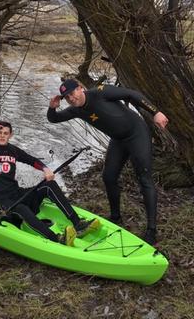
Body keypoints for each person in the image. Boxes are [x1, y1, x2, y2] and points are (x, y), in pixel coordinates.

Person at [47, 78, 169, 245]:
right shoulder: (76, 110)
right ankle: (116, 217)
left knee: (144, 179)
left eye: (72, 93)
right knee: (109, 177)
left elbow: (131, 94)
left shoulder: (100, 92)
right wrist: (52, 108)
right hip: (118, 140)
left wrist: (156, 112)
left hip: (136, 134)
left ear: (80, 88)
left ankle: (151, 230)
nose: (71, 98)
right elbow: (53, 119)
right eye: (67, 97)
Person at [0, 121, 99, 245]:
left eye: (5, 133)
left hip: (17, 194)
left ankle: (78, 224)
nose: (2, 136)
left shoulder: (13, 150)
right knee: (21, 208)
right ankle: (57, 239)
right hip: (1, 202)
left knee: (49, 185)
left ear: (10, 135)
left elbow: (31, 160)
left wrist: (45, 169)